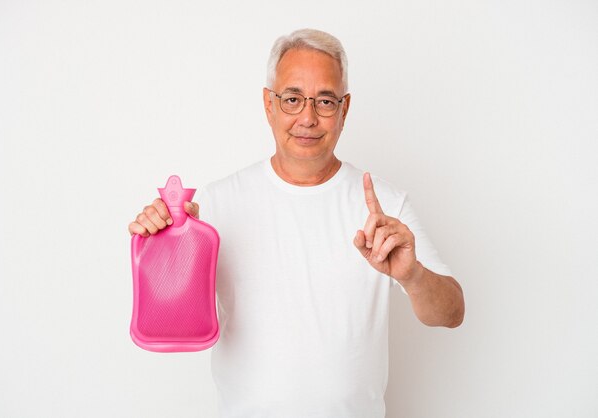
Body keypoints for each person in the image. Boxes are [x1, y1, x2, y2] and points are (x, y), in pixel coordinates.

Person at [128, 28, 464, 418]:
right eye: (292, 99)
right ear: (268, 104)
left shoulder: (385, 206)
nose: (308, 117)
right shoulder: (217, 203)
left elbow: (452, 312)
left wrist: (413, 275)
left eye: (324, 101)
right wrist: (167, 242)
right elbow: (171, 317)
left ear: (344, 109)